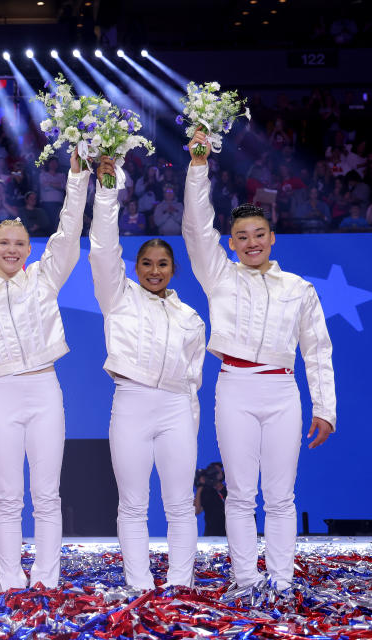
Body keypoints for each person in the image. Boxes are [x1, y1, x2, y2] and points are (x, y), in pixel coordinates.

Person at [183, 130, 336, 594]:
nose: (251, 243)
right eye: (241, 237)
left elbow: (318, 350)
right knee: (242, 494)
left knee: (282, 496)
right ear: (230, 244)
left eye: (259, 235)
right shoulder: (220, 277)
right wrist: (197, 165)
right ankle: (247, 579)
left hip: (283, 392)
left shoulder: (298, 289)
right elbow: (195, 227)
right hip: (235, 388)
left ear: (272, 238)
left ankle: (283, 581)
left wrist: (325, 407)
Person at [0, 149, 89, 591]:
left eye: (20, 244)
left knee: (47, 495)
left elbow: (67, 234)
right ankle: (9, 578)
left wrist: (79, 177)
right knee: (8, 496)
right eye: (4, 243)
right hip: (3, 393)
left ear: (29, 250)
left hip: (45, 388)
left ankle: (46, 578)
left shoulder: (44, 279)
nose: (12, 250)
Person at [89, 157, 206, 590]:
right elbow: (103, 250)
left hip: (176, 408)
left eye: (162, 264)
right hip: (132, 403)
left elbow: (193, 380)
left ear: (173, 270)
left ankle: (180, 584)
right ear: (135, 268)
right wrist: (106, 189)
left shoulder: (192, 319)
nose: (154, 270)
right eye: (146, 263)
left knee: (179, 504)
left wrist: (190, 426)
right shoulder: (118, 298)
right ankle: (139, 584)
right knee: (133, 504)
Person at [197, 463, 227, 536]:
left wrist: (220, 487)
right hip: (212, 535)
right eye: (215, 471)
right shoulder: (206, 492)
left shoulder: (229, 490)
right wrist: (200, 487)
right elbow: (196, 510)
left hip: (230, 534)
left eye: (219, 471)